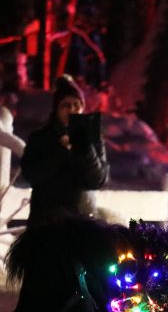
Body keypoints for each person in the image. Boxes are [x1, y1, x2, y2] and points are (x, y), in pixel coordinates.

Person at [22, 74, 110, 226]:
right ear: (57, 109)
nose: (72, 110)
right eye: (66, 105)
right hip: (46, 220)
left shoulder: (92, 138)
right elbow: (31, 174)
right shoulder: (40, 137)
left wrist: (86, 148)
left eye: (76, 104)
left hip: (82, 220)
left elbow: (98, 180)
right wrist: (61, 151)